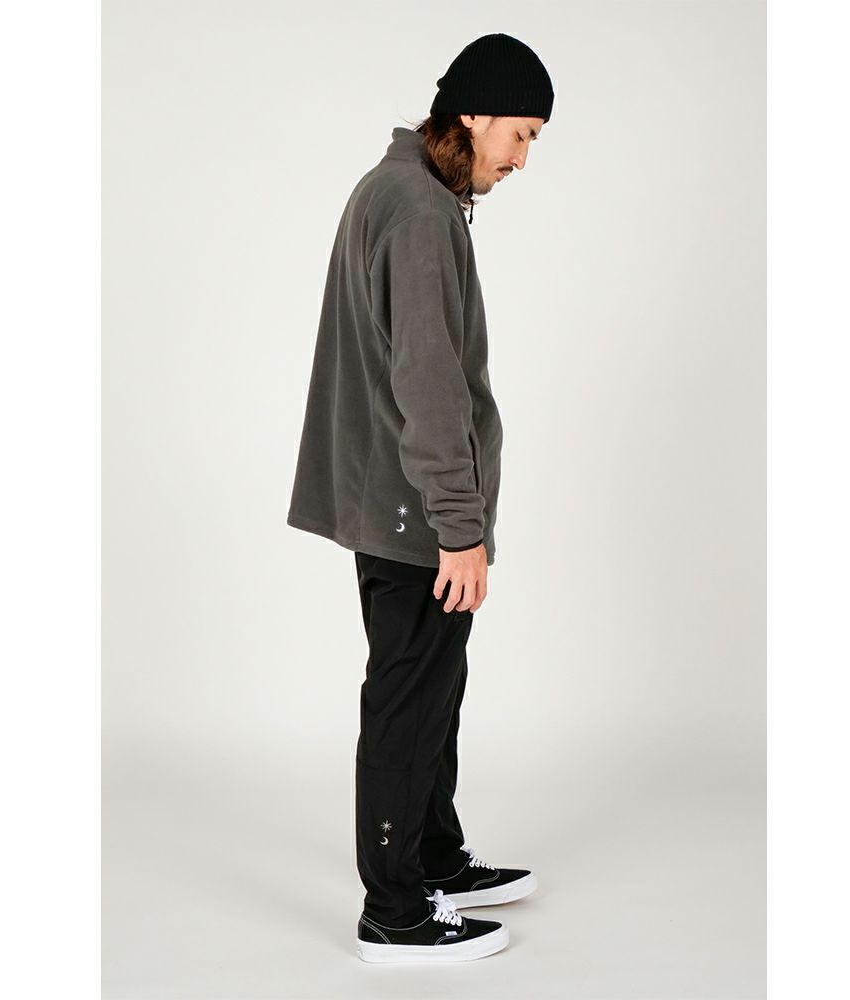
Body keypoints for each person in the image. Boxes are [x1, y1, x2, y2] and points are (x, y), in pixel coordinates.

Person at [286, 32, 554, 963]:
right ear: (472, 115)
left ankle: (434, 855)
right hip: (415, 512)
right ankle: (396, 910)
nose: (522, 160)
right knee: (409, 697)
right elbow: (429, 382)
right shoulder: (416, 211)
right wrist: (460, 527)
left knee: (435, 684)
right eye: (520, 135)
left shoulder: (401, 190)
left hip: (401, 502)